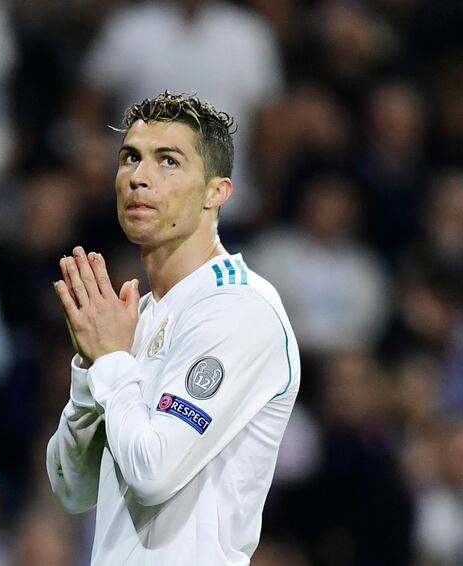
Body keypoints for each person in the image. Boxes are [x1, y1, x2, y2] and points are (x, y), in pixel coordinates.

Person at [46, 92, 300, 565]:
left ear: (216, 191)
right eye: (130, 158)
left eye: (168, 161)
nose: (139, 178)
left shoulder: (240, 308)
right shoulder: (136, 318)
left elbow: (154, 471)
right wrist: (90, 370)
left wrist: (113, 362)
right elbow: (71, 488)